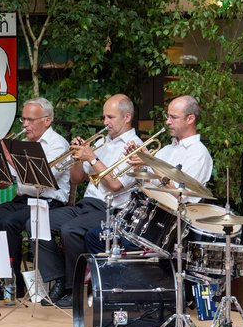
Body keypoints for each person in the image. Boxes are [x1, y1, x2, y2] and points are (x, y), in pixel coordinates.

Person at [33, 94, 143, 309]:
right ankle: (60, 278)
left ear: (127, 117)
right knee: (37, 219)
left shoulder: (134, 147)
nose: (105, 122)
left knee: (69, 230)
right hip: (87, 204)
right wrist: (77, 157)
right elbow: (76, 179)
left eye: (110, 117)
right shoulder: (101, 141)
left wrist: (92, 158)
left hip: (112, 209)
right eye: (104, 117)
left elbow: (116, 185)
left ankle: (74, 290)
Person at [0, 97, 70, 299]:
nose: (25, 125)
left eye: (30, 120)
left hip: (47, 203)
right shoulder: (22, 144)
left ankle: (13, 281)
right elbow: (6, 183)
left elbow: (41, 179)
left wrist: (9, 156)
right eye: (23, 120)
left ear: (47, 120)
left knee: (8, 223)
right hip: (21, 201)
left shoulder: (58, 144)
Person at [84, 94, 213, 255]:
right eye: (168, 116)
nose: (167, 122)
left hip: (166, 226)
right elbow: (145, 183)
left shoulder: (198, 153)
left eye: (173, 117)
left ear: (190, 119)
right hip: (145, 217)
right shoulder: (167, 149)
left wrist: (151, 163)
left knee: (112, 242)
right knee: (95, 237)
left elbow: (182, 196)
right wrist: (138, 165)